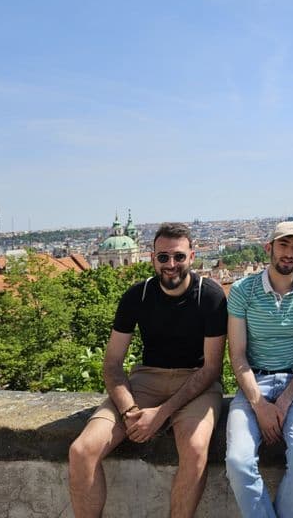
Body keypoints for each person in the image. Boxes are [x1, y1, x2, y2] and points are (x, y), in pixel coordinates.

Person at [68, 222, 228, 518]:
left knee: (194, 451)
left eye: (179, 257)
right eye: (163, 257)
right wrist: (130, 411)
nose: (171, 264)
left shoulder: (211, 296)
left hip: (196, 382)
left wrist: (162, 412)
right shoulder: (137, 296)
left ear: (192, 256)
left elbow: (211, 369)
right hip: (145, 380)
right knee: (81, 451)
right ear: (152, 258)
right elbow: (113, 363)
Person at [225, 221, 293, 518]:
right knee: (237, 461)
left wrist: (283, 400)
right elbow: (238, 354)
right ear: (269, 247)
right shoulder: (243, 290)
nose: (289, 253)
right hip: (253, 380)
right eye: (284, 245)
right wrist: (259, 404)